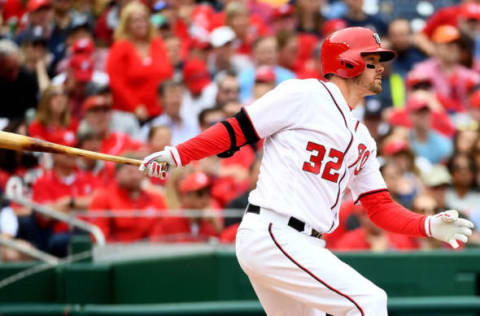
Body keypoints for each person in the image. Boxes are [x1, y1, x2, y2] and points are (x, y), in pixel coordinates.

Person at [139, 27, 474, 315]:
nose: (380, 69)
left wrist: (426, 224)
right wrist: (177, 154)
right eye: (372, 60)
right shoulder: (303, 94)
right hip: (273, 231)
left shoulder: (363, 139)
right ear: (348, 62)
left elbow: (379, 207)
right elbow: (236, 129)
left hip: (302, 242)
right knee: (368, 302)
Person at [106, 1, 173, 122]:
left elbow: (168, 74)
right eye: (135, 20)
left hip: (161, 112)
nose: (141, 24)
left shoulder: (157, 43)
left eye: (144, 19)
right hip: (132, 115)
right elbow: (117, 83)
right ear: (126, 25)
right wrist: (135, 106)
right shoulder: (120, 47)